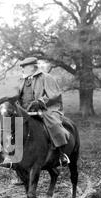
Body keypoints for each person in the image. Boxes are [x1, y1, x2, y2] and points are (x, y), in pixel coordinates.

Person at [9, 57, 70, 185]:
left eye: (25, 67)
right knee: (12, 129)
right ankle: (14, 162)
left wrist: (40, 101)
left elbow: (54, 95)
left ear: (33, 67)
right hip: (25, 112)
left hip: (46, 110)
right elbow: (16, 96)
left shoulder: (46, 78)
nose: (23, 69)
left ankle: (60, 155)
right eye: (23, 67)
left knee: (53, 126)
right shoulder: (22, 81)